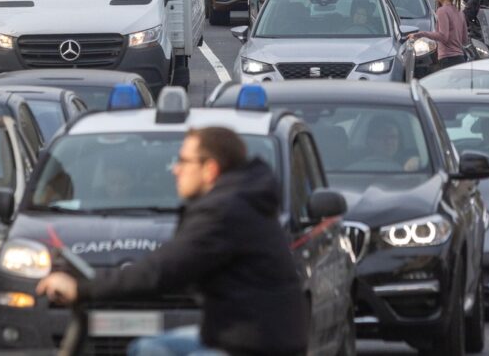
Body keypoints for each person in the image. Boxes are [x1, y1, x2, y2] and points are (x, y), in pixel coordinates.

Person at [36, 126, 308, 356]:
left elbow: (162, 270)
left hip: (255, 345)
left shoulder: (224, 211)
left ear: (209, 169)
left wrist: (81, 288)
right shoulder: (238, 200)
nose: (175, 169)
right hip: (246, 334)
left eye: (184, 161)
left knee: (151, 351)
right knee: (148, 347)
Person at [409, 0, 467, 69]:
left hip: (447, 59)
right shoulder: (460, 12)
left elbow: (443, 36)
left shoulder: (442, 11)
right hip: (460, 58)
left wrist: (421, 34)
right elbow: (464, 39)